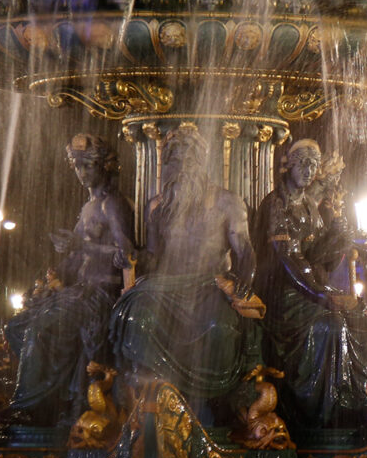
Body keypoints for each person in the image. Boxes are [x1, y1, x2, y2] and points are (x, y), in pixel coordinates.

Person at [109, 126, 264, 427]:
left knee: (218, 326)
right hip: (165, 286)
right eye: (174, 160)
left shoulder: (226, 202)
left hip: (210, 284)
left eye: (188, 159)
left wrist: (244, 283)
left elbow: (245, 251)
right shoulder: (157, 206)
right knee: (137, 319)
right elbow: (154, 256)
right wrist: (133, 257)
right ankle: (151, 403)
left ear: (202, 162)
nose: (181, 166)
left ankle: (213, 406)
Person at [252, 139, 367, 430]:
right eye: (302, 162)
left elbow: (319, 260)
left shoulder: (309, 209)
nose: (308, 169)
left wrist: (337, 239)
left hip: (309, 288)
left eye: (313, 165)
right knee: (333, 325)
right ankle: (329, 413)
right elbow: (288, 258)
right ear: (288, 165)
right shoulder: (277, 203)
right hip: (282, 294)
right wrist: (323, 293)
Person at [2, 134, 136, 426]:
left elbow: (125, 252)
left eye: (88, 165)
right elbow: (77, 259)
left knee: (38, 329)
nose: (82, 173)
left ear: (105, 167)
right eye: (77, 166)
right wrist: (58, 269)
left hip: (101, 295)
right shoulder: (88, 207)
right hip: (78, 292)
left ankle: (31, 406)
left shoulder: (112, 204)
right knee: (15, 327)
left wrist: (80, 246)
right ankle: (51, 395)